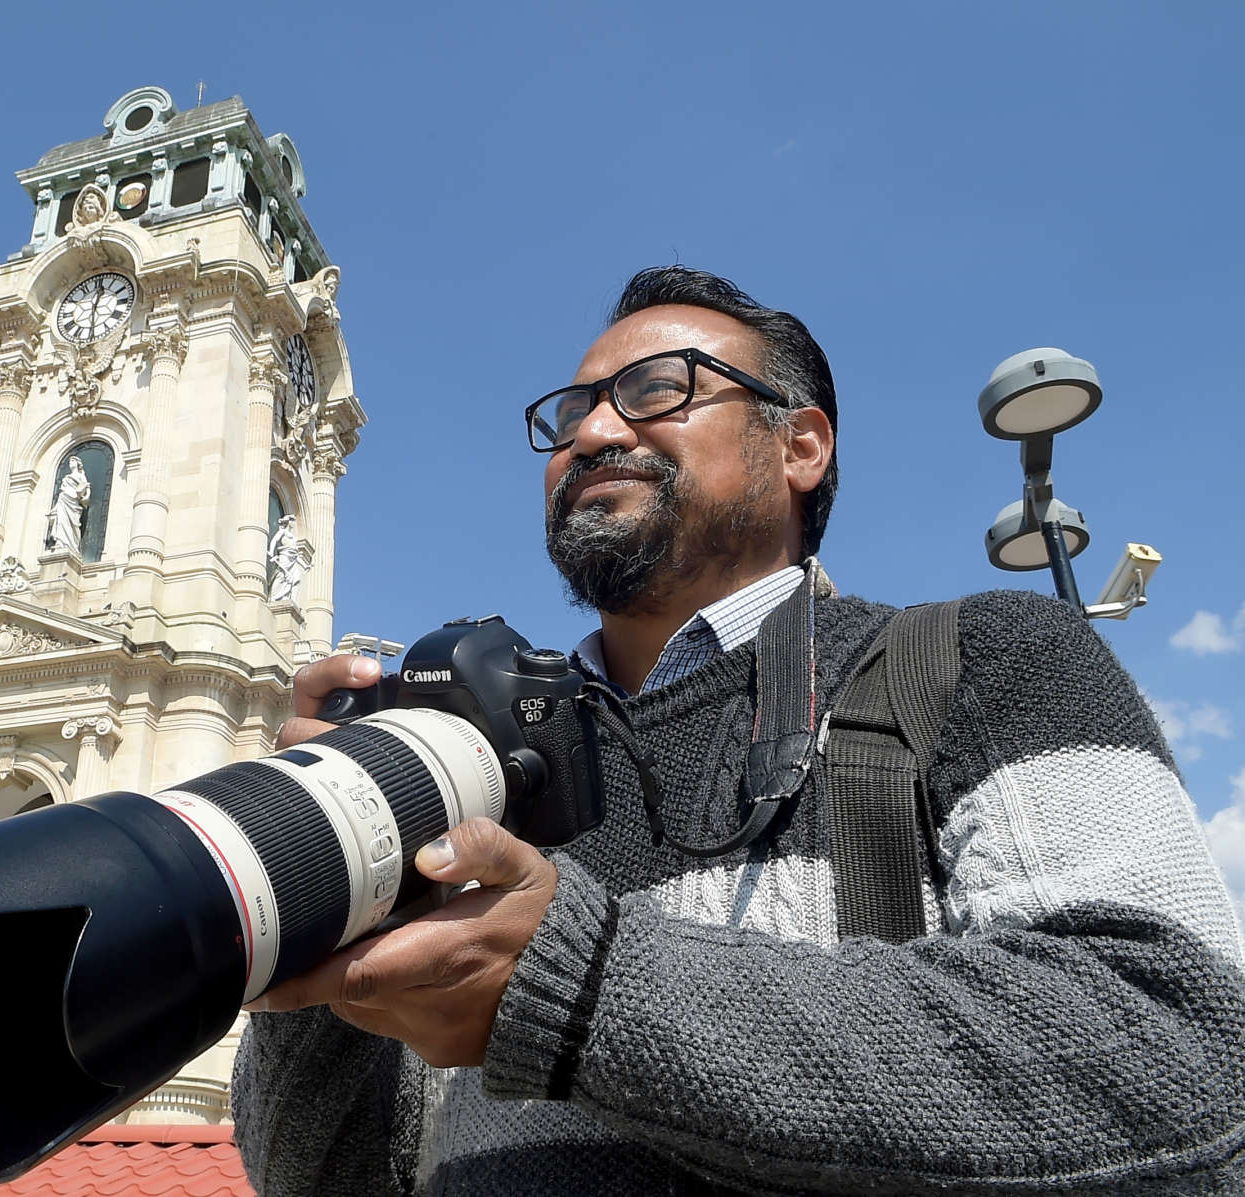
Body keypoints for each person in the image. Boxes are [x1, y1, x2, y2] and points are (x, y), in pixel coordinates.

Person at [230, 266, 1245, 1195]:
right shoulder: (479, 774)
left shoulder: (988, 659)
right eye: (573, 411)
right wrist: (334, 887)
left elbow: (1180, 1048)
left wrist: (581, 990)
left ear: (801, 446)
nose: (589, 434)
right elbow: (326, 1180)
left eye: (656, 389)